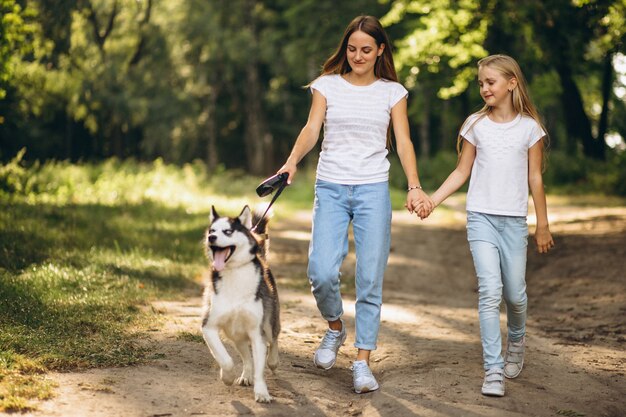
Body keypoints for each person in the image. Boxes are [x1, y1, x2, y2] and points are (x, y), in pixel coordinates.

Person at [277, 15, 433, 394]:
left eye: (366, 49)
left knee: (369, 278)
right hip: (330, 186)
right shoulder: (326, 85)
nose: (358, 56)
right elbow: (312, 128)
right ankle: (334, 327)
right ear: (344, 48)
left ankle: (362, 361)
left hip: (373, 190)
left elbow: (404, 141)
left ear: (380, 50)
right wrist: (291, 161)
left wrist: (414, 185)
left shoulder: (392, 92)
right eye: (352, 49)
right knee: (321, 271)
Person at [413, 54, 555, 397]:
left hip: (514, 221)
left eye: (490, 82)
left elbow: (535, 178)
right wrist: (432, 200)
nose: (484, 88)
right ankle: (493, 369)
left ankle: (517, 342)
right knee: (490, 292)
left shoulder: (530, 128)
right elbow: (462, 172)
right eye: (480, 83)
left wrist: (543, 225)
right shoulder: (475, 124)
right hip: (481, 218)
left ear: (511, 83)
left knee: (516, 294)